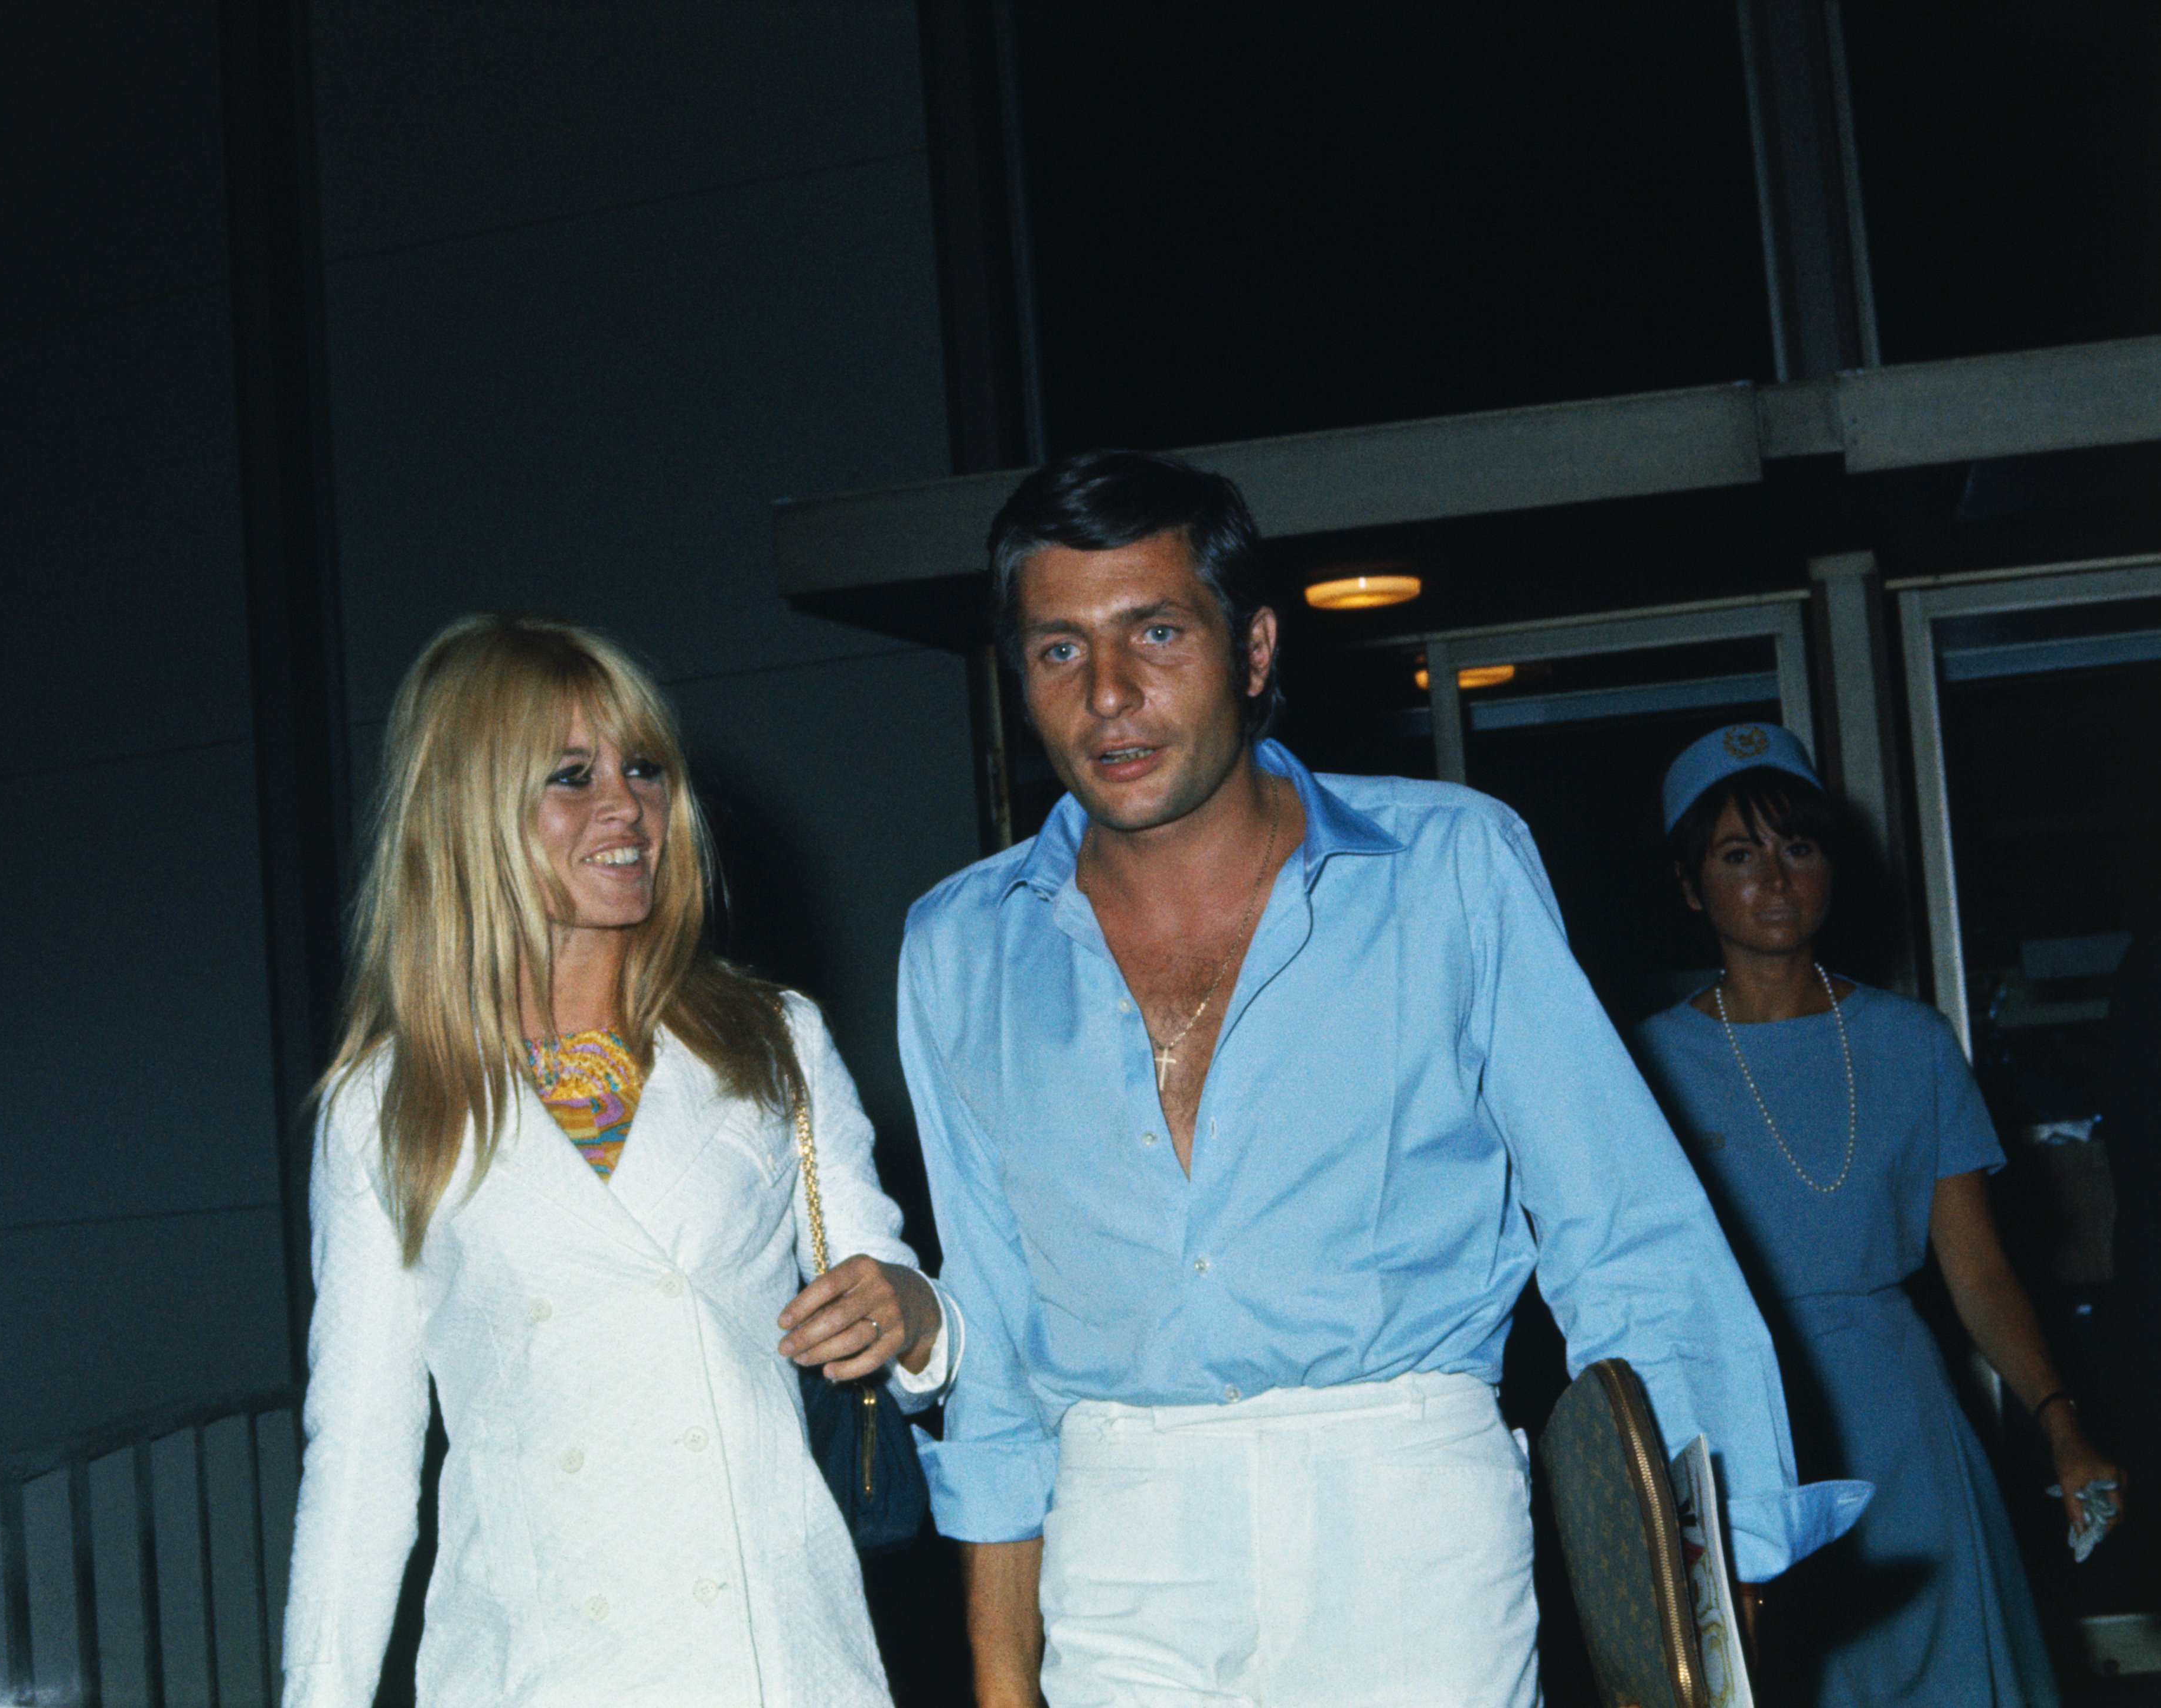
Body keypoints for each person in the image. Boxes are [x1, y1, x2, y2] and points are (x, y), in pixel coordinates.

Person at [899, 449, 1863, 1708]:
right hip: (1113, 1526)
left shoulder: (1449, 865)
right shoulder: (959, 944)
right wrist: (996, 1677)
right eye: (1058, 651)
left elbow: (1622, 1228)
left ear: (1251, 653)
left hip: (1408, 1500)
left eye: (1155, 632)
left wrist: (1706, 1559)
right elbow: (993, 1339)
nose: (1112, 695)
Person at [281, 615, 957, 1708]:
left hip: (775, 1660)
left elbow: (897, 1296)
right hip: (537, 1667)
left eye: (643, 768)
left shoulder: (771, 1037)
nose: (626, 807)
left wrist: (915, 1316)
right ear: (467, 812)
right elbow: (358, 1462)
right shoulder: (387, 1104)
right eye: (571, 776)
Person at [1629, 722, 2120, 1707]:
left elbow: (1977, 1275)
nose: (1775, 878)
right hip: (1735, 1439)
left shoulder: (1909, 1042)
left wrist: (2061, 1426)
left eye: (1797, 847)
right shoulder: (1641, 1065)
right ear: (1690, 887)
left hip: (1902, 1430)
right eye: (1737, 855)